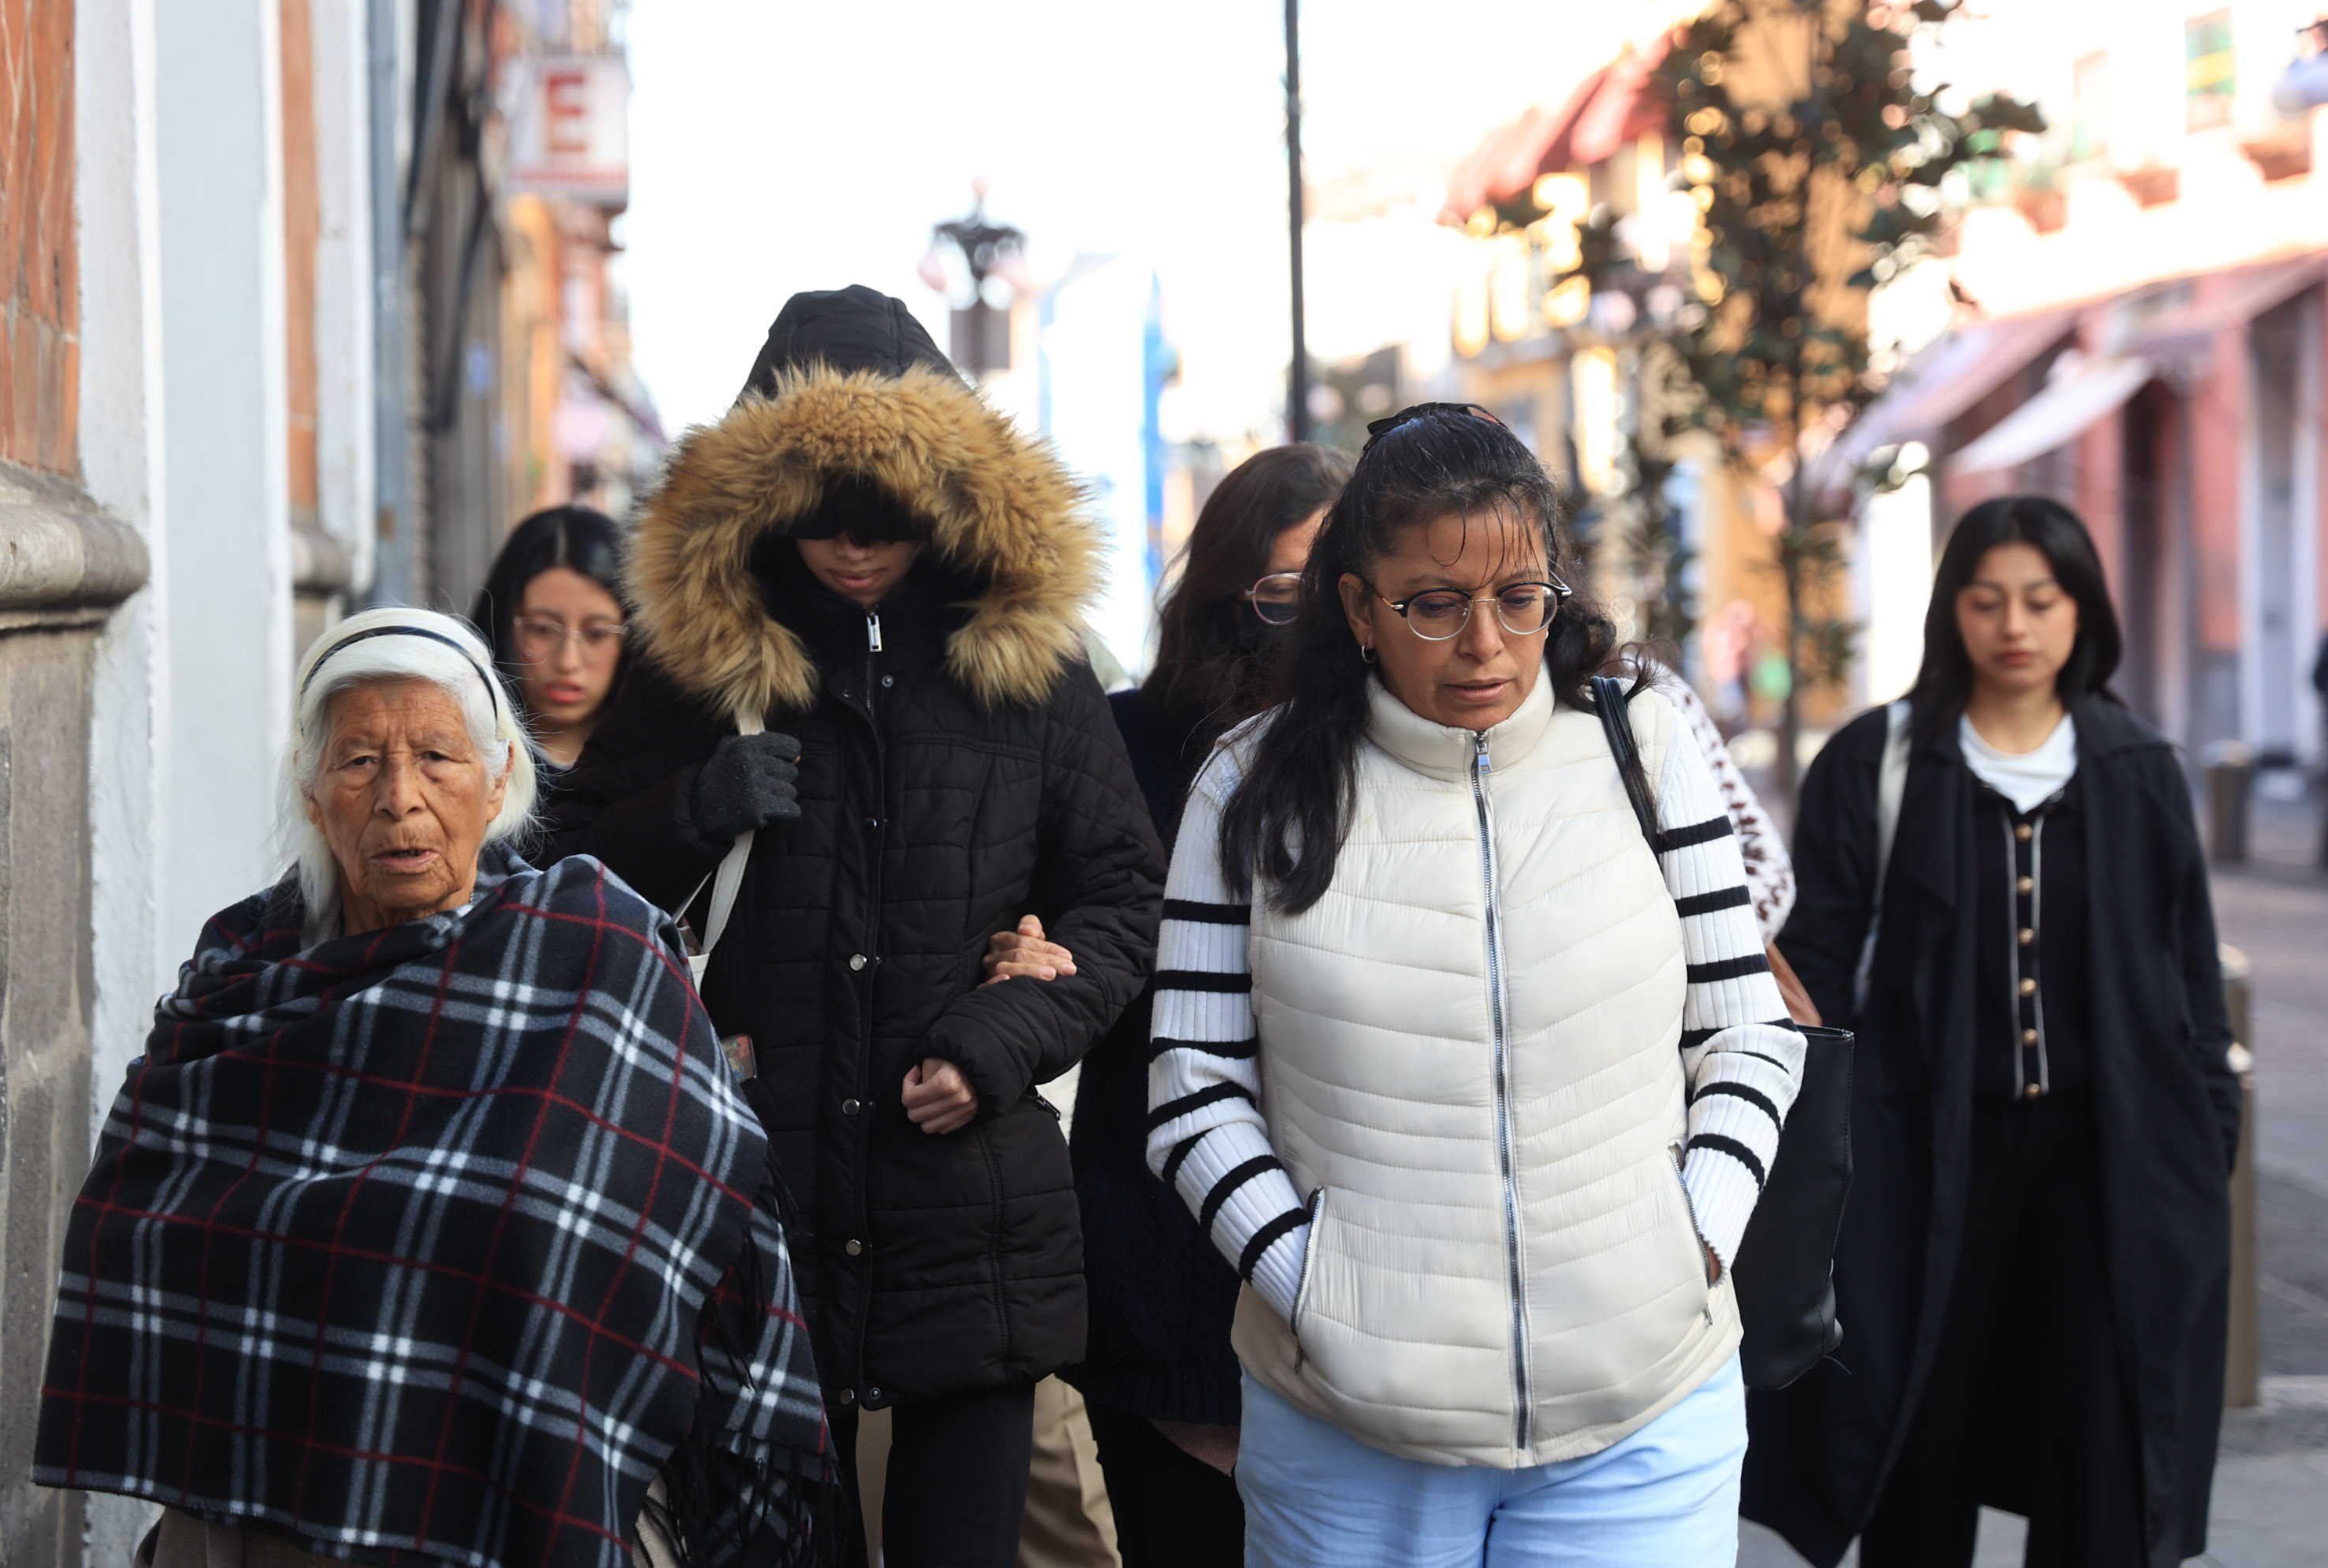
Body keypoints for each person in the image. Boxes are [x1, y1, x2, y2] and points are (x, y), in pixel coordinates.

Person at [541, 285, 1165, 1568]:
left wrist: (1004, 1036)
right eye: (823, 511)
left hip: (971, 1225)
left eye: (887, 512)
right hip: (751, 1217)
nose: (855, 544)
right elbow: (563, 877)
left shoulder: (1026, 660)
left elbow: (1120, 896)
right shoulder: (695, 657)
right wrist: (692, 808)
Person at [30, 607, 835, 1568]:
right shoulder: (241, 973)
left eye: (438, 759)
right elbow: (144, 1226)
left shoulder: (592, 951)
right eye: (360, 761)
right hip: (264, 1508)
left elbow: (690, 1226)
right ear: (312, 792)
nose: (399, 799)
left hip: (530, 1497)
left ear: (498, 782)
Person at [1143, 404, 1805, 1566]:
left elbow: (1745, 1027)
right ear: (1359, 607)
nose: (1486, 645)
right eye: (1434, 605)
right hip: (1349, 1434)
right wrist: (1314, 1286)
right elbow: (1193, 1086)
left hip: (1645, 1413)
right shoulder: (1248, 788)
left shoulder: (1645, 745)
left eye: (1519, 598)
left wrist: (1694, 1239)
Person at [1743, 496, 2239, 1567]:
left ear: (2081, 610)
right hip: (1922, 1162)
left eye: (2040, 600)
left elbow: (2193, 985)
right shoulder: (1875, 762)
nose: (2014, 625)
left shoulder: (2140, 770)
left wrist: (2208, 1151)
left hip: (2107, 1168)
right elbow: (1819, 966)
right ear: (1951, 612)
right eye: (1986, 599)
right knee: (1919, 1444)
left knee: (2106, 1455)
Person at [1062, 442, 1352, 1567]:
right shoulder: (1128, 740)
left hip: (1342, 1239)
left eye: (1338, 586)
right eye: (1283, 591)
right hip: (1158, 1233)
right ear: (1228, 594)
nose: (1313, 621)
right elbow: (1077, 929)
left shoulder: (1389, 750)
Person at [469, 503, 628, 768]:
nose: (568, 662)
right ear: (503, 621)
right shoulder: (454, 754)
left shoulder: (672, 771)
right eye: (542, 629)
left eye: (597, 633)